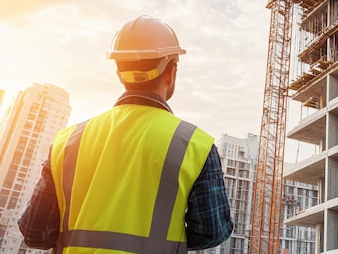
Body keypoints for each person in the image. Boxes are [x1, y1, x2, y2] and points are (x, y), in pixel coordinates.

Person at [18, 16, 233, 253]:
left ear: (119, 74)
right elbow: (211, 231)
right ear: (171, 72)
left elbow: (35, 233)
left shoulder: (66, 141)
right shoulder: (194, 145)